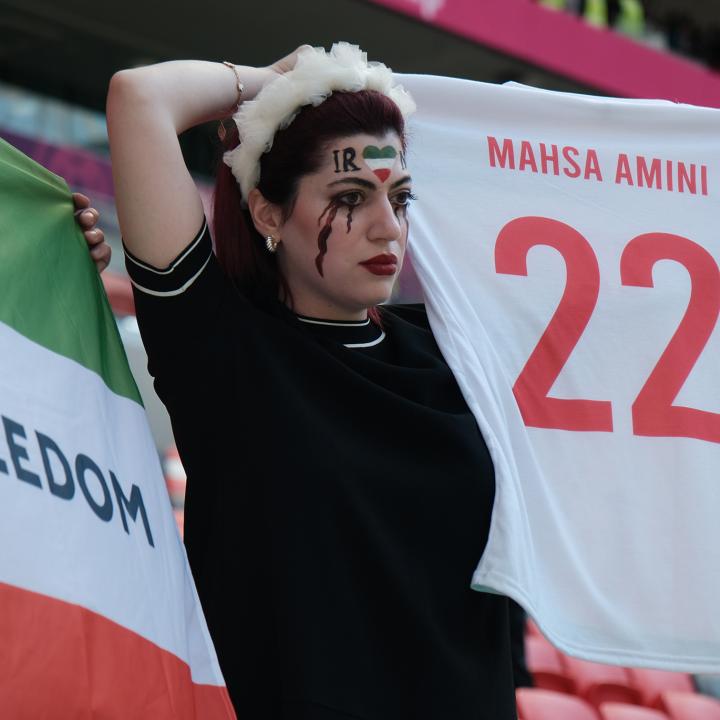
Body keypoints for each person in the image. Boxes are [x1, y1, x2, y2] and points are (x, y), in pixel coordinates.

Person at [104, 43, 516, 719]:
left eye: (400, 196)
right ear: (269, 214)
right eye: (351, 197)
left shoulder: (460, 349)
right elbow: (140, 98)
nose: (389, 227)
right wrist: (276, 87)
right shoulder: (222, 348)